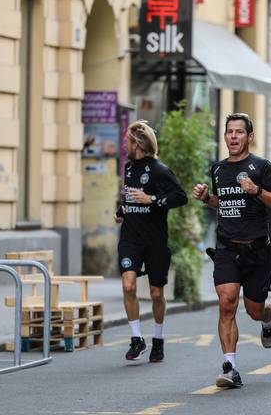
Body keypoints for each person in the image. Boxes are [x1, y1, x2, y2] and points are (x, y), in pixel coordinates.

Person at [192, 113, 271, 388]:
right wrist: (207, 198)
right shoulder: (218, 169)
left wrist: (256, 190)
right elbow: (225, 204)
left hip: (256, 251)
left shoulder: (261, 166)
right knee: (226, 302)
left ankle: (268, 318)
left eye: (239, 132)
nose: (233, 137)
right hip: (227, 248)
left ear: (250, 137)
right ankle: (230, 367)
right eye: (229, 132)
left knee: (254, 310)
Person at [115, 120, 187, 363]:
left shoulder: (159, 170)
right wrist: (122, 210)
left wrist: (152, 199)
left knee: (156, 294)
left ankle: (158, 339)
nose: (124, 144)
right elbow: (129, 197)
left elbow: (180, 197)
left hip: (155, 241)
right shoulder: (128, 168)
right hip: (130, 238)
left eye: (126, 140)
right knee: (128, 285)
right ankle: (137, 338)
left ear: (136, 143)